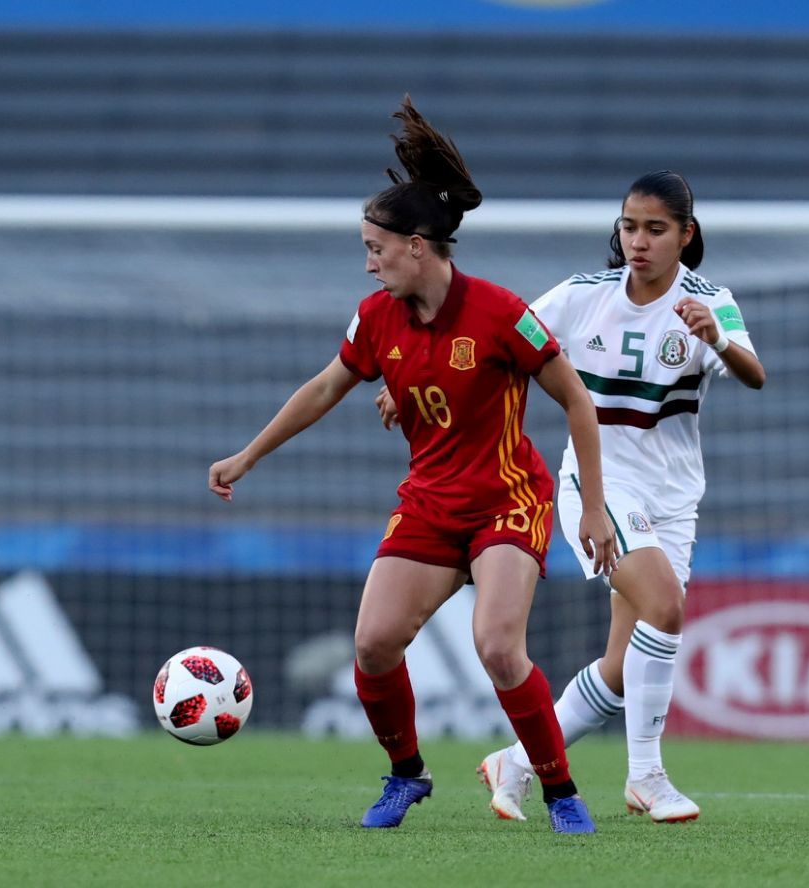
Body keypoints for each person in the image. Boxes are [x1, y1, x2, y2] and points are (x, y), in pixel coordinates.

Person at [208, 97, 619, 834]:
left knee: (497, 645)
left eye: (377, 247)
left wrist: (591, 507)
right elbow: (326, 387)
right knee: (371, 644)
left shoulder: (499, 313)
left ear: (420, 247)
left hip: (507, 498)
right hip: (431, 501)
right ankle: (406, 775)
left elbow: (577, 402)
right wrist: (248, 455)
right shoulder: (376, 318)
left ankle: (560, 792)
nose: (369, 262)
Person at [378, 170, 766, 824]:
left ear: (685, 235)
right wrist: (416, 377)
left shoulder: (708, 300)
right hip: (600, 481)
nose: (638, 241)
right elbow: (497, 335)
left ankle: (517, 762)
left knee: (621, 667)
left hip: (674, 496)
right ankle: (647, 777)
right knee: (665, 608)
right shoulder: (584, 295)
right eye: (629, 226)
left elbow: (753, 373)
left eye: (655, 229)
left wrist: (717, 338)